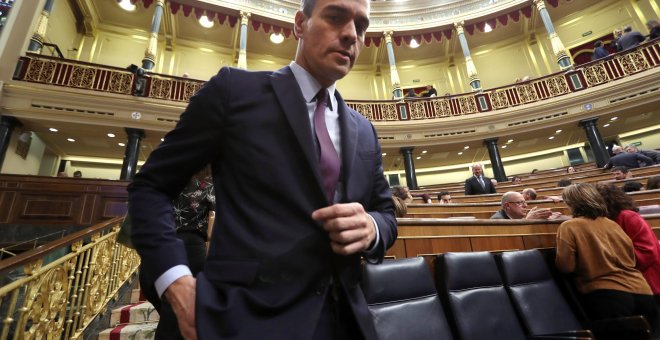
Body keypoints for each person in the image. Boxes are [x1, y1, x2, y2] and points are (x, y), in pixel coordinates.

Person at [128, 1, 397, 339]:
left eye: (361, 26)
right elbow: (150, 187)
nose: (350, 35)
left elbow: (385, 213)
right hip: (246, 321)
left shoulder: (364, 129)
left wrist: (371, 228)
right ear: (300, 24)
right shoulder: (233, 91)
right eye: (335, 17)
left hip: (347, 320)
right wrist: (175, 282)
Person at [556, 183, 657, 326]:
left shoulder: (569, 226)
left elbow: (566, 266)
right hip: (642, 291)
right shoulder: (612, 223)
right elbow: (631, 257)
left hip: (607, 294)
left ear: (571, 203)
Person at [155, 167, 215, 338]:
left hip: (165, 243)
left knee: (169, 307)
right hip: (192, 245)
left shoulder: (173, 180)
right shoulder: (209, 184)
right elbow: (213, 225)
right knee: (186, 306)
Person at [596, 183, 660, 304]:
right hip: (631, 279)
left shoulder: (627, 216)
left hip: (649, 276)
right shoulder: (606, 220)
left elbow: (647, 251)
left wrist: (617, 261)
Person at [490, 191, 557, 220]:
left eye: (525, 202)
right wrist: (528, 221)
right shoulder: (497, 220)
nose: (525, 205)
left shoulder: (515, 215)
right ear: (507, 206)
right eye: (520, 203)